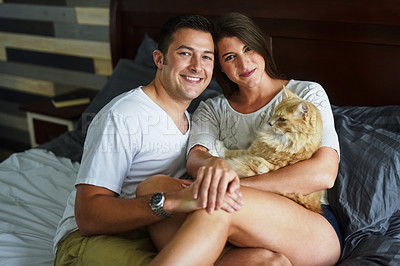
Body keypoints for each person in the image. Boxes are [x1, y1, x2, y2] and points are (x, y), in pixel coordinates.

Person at [145, 12, 343, 265]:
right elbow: (195, 158)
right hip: (243, 219)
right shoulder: (212, 108)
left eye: (248, 49)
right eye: (230, 57)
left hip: (308, 225)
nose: (244, 63)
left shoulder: (305, 94)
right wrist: (212, 165)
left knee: (219, 205)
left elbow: (323, 174)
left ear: (262, 48)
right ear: (219, 66)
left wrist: (235, 186)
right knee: (154, 186)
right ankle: (257, 261)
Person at [53, 14, 247, 265]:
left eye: (207, 57)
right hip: (95, 239)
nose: (197, 66)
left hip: (157, 228)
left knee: (266, 259)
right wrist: (175, 201)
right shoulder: (123, 116)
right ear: (159, 59)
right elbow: (88, 217)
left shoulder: (196, 122)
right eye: (185, 53)